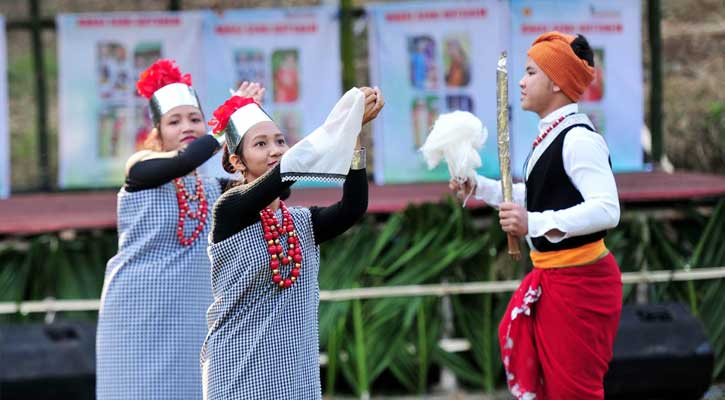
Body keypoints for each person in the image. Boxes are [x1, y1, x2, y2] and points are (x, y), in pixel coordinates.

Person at [450, 32, 622, 399]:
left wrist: (534, 223)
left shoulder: (578, 139)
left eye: (530, 72)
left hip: (580, 282)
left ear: (557, 82)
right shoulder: (553, 135)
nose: (522, 82)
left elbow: (607, 209)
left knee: (572, 393)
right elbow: (541, 195)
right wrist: (479, 187)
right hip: (555, 278)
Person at [201, 86, 384, 399]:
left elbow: (352, 208)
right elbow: (286, 173)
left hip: (293, 372)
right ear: (237, 160)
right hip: (236, 368)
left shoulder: (301, 222)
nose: (275, 150)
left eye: (280, 141)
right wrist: (338, 123)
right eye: (261, 144)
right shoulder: (229, 209)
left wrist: (353, 132)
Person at [96, 58, 264, 400]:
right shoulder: (140, 167)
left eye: (195, 119)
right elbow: (184, 161)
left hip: (192, 312)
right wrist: (228, 119)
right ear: (157, 131)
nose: (187, 126)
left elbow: (268, 188)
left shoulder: (215, 186)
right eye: (175, 121)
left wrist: (252, 129)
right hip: (137, 312)